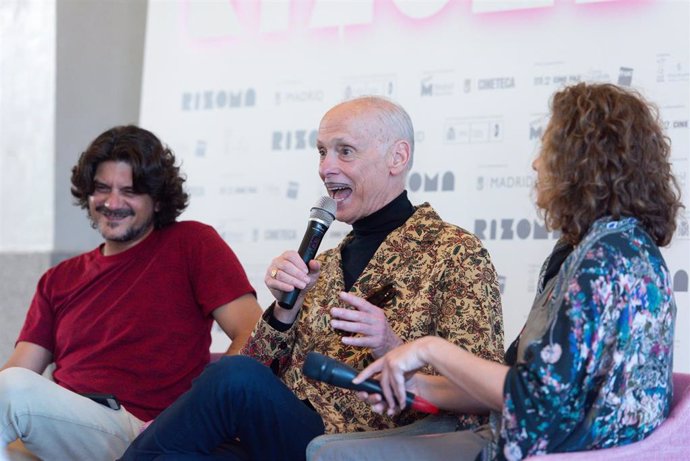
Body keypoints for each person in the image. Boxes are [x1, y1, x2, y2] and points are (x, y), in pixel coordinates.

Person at [312, 82, 683, 461]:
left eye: (548, 149)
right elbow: (518, 384)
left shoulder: (603, 262)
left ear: (583, 162)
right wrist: (413, 384)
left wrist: (428, 349)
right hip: (531, 435)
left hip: (547, 449)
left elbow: (534, 401)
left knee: (329, 454)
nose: (537, 164)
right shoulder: (612, 248)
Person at [120, 96, 505, 460]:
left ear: (397, 157)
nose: (325, 167)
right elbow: (260, 368)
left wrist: (391, 346)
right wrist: (285, 311)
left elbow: (482, 393)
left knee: (232, 377)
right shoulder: (326, 262)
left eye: (345, 151)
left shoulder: (455, 252)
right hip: (284, 434)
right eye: (322, 152)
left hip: (361, 443)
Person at [0, 125, 263, 460]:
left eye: (129, 191)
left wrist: (195, 417)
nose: (112, 203)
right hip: (64, 432)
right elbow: (20, 369)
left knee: (11, 390)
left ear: (156, 199)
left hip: (148, 433)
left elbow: (254, 335)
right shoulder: (58, 279)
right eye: (102, 189)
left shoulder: (192, 244)